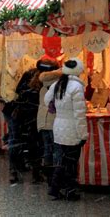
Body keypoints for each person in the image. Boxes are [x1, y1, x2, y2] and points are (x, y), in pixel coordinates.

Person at [44, 58, 88, 201]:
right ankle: (68, 190)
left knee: (62, 160)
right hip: (72, 129)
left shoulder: (58, 83)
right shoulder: (77, 87)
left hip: (59, 126)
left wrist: (57, 107)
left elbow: (46, 99)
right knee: (71, 162)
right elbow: (79, 114)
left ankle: (56, 188)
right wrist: (83, 135)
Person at [7, 66, 41, 184]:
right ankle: (34, 173)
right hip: (28, 114)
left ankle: (14, 171)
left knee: (16, 142)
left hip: (18, 112)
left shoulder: (28, 75)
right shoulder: (43, 81)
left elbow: (18, 91)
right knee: (33, 144)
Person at [36, 59, 62, 187]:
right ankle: (56, 179)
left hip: (42, 120)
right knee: (57, 150)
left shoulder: (40, 82)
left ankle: (49, 177)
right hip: (54, 120)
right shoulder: (59, 83)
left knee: (47, 149)